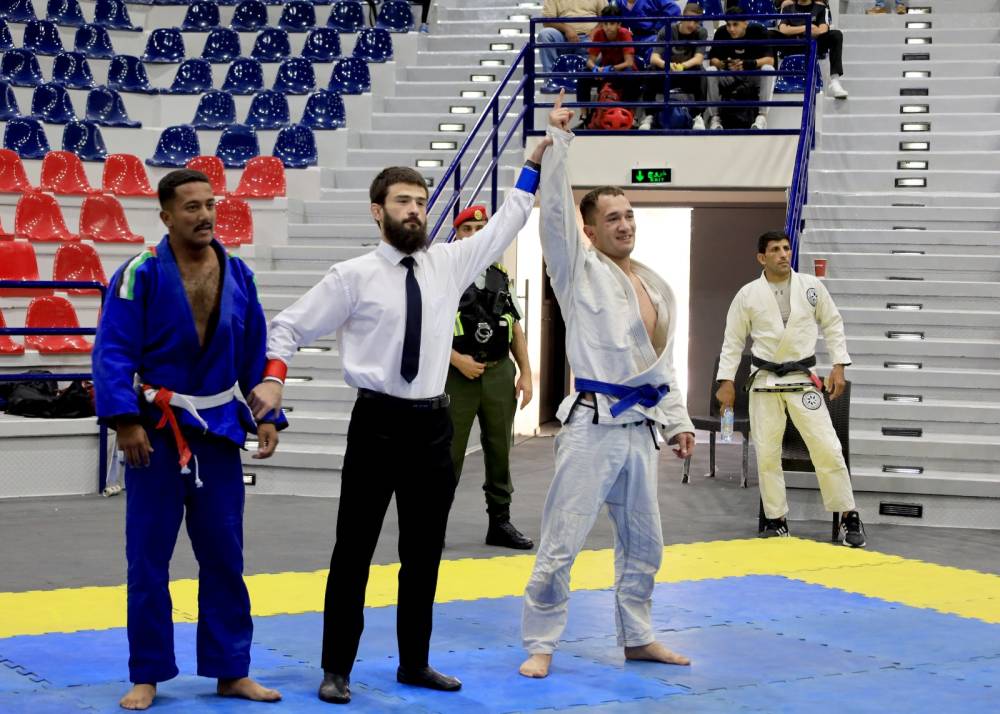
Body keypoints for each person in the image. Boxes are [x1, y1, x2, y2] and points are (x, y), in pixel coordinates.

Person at [247, 146, 550, 704]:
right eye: (403, 201)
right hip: (377, 423)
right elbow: (286, 327)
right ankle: (336, 668)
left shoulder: (449, 264)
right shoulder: (352, 277)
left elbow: (506, 222)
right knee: (353, 550)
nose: (414, 211)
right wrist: (274, 378)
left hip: (432, 425)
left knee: (424, 552)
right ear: (377, 211)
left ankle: (415, 662)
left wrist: (532, 165)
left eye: (421, 202)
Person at [92, 169, 286, 711]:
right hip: (155, 433)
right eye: (191, 207)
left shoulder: (238, 274)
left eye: (210, 205)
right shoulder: (139, 274)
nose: (205, 216)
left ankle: (231, 670)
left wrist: (268, 415)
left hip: (218, 432)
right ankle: (147, 674)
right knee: (147, 560)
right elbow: (112, 350)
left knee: (225, 555)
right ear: (166, 216)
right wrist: (125, 421)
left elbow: (255, 350)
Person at [519, 92, 696, 680]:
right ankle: (541, 642)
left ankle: (638, 637)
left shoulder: (654, 286)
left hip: (641, 429)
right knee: (561, 540)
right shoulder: (577, 271)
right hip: (592, 425)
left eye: (629, 215)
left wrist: (678, 420)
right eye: (612, 218)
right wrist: (559, 144)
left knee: (646, 543)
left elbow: (660, 367)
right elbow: (554, 219)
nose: (625, 224)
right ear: (590, 231)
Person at [714, 231, 866, 548]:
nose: (784, 254)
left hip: (802, 379)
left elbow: (833, 323)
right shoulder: (748, 294)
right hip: (764, 380)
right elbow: (733, 340)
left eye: (786, 248)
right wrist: (725, 381)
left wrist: (839, 364)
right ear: (762, 257)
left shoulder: (811, 286)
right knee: (767, 453)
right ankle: (777, 519)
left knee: (827, 446)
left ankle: (848, 514)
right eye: (775, 250)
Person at [446, 205, 535, 550]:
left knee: (500, 450)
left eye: (480, 229)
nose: (474, 235)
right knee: (449, 453)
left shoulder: (499, 274)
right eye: (467, 229)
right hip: (457, 376)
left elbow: (515, 327)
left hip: (498, 372)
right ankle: (433, 525)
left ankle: (499, 522)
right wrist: (457, 360)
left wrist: (525, 373)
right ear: (457, 235)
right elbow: (426, 330)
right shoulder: (445, 273)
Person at [705, 7, 775, 130]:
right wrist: (724, 64)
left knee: (768, 69)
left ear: (745, 23)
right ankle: (715, 118)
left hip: (752, 76)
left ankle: (762, 116)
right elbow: (713, 60)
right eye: (728, 25)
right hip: (729, 75)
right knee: (711, 71)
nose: (731, 29)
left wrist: (747, 64)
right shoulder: (721, 32)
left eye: (735, 24)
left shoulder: (759, 31)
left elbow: (770, 60)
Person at [644, 2, 710, 130]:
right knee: (650, 71)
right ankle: (649, 116)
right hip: (667, 72)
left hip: (687, 73)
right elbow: (654, 58)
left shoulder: (701, 32)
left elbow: (698, 59)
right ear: (682, 17)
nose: (692, 24)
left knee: (701, 72)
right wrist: (667, 65)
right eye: (689, 19)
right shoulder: (667, 30)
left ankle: (698, 116)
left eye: (696, 21)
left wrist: (682, 66)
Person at [575, 5, 639, 128]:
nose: (608, 27)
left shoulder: (625, 34)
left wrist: (611, 69)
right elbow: (590, 61)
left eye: (612, 23)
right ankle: (584, 116)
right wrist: (595, 69)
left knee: (631, 74)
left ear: (619, 24)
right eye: (605, 23)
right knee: (583, 74)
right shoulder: (599, 34)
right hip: (606, 71)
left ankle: (631, 116)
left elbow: (629, 62)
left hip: (622, 71)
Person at [777, 0, 847, 99]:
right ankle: (770, 78)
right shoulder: (787, 8)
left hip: (814, 45)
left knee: (836, 35)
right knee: (770, 35)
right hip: (793, 45)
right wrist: (807, 28)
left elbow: (823, 29)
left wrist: (793, 30)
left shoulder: (821, 8)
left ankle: (835, 81)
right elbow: (783, 29)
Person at [538, 0, 608, 92]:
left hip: (589, 37)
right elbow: (547, 20)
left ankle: (591, 81)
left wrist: (595, 31)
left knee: (599, 40)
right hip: (562, 37)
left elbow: (606, 16)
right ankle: (551, 80)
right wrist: (566, 29)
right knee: (545, 35)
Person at [610, 0, 680, 66]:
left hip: (652, 37)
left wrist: (658, 27)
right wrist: (623, 32)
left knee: (655, 53)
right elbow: (611, 17)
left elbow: (674, 9)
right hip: (632, 38)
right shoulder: (618, 2)